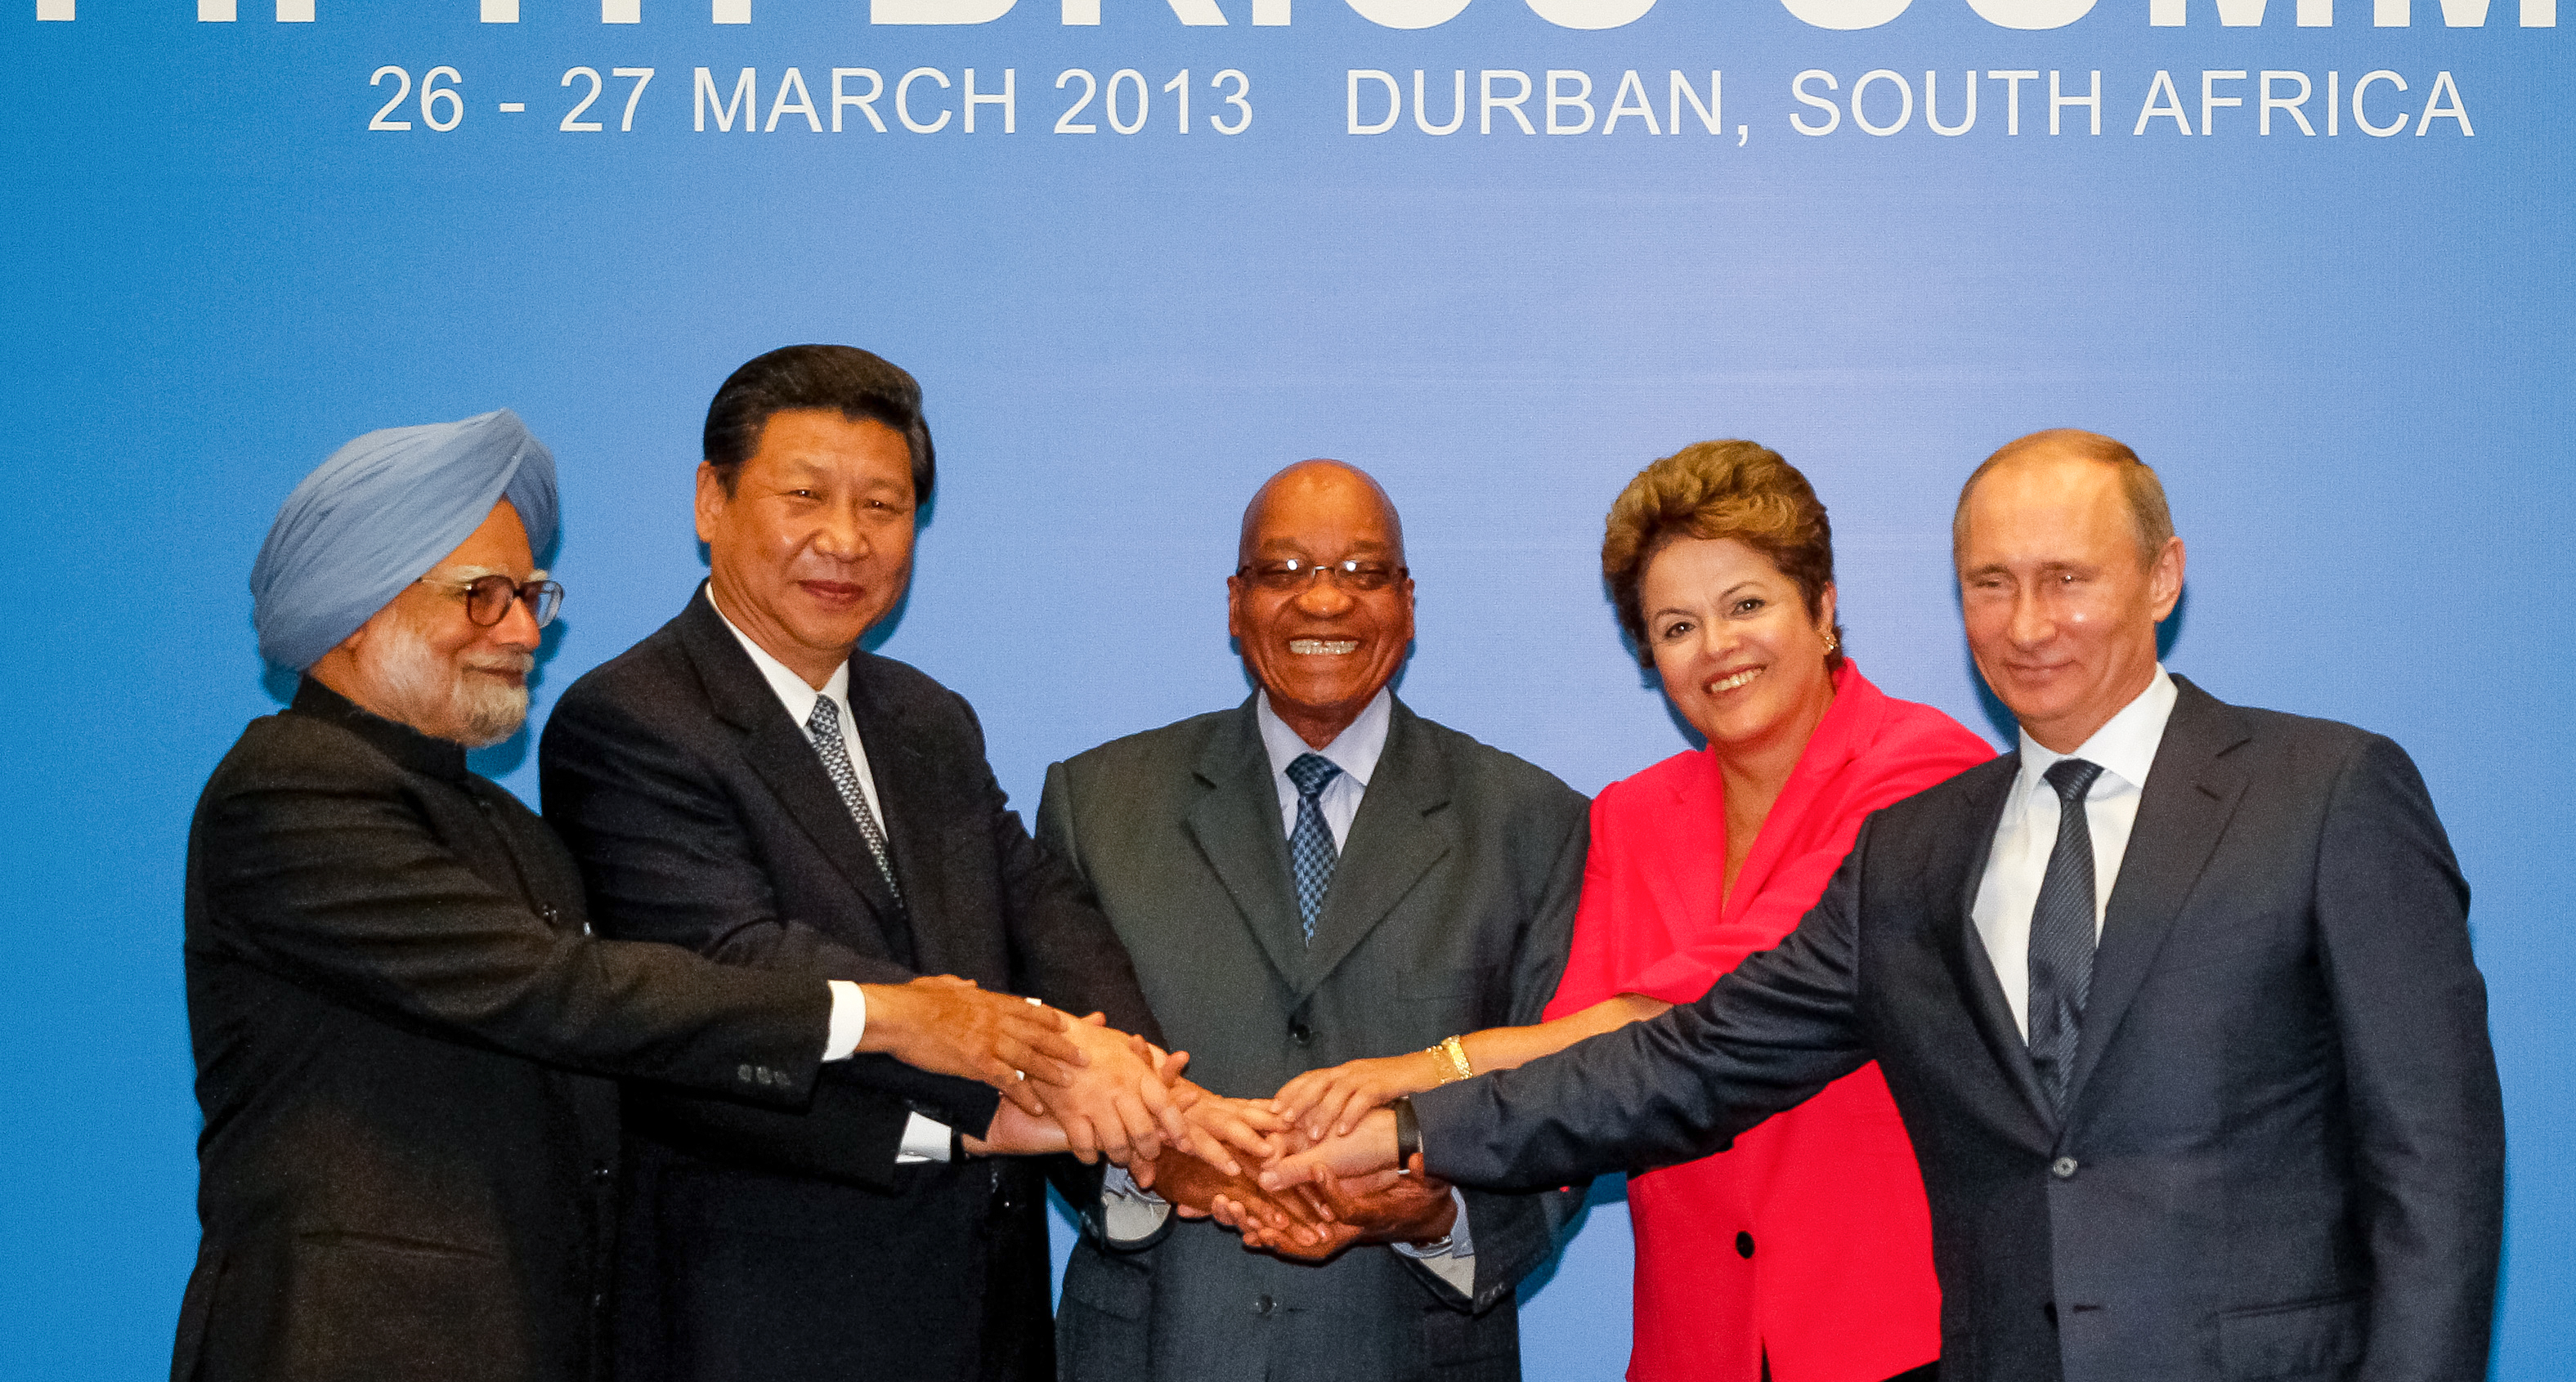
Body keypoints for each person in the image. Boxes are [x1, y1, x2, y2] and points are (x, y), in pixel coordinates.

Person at [1269, 430, 2508, 1382]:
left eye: (2065, 578)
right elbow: (1686, 1060)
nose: (2027, 625)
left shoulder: (2328, 789)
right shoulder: (1920, 852)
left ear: (2161, 575)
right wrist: (1411, 1132)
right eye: (1988, 584)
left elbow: (2434, 1163)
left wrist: (1420, 1075)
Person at [177, 409, 1096, 1382]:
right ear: (354, 606)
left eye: (530, 594)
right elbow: (562, 991)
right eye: (480, 596)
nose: (525, 630)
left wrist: (960, 1127)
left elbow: (646, 1064)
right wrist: (889, 1015)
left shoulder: (504, 827)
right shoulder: (288, 788)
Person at [540, 347, 1275, 1382]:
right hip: (762, 1319)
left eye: (882, 506)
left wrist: (1149, 1089)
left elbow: (1039, 911)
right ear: (712, 500)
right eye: (805, 495)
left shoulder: (926, 719)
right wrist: (1058, 1079)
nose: (845, 539)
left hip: (980, 1315)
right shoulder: (630, 722)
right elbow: (742, 964)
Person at [1271, 441, 1991, 1382]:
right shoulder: (1630, 816)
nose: (1717, 647)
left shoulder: (1924, 775)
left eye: (1746, 604)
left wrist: (1409, 1087)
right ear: (1649, 655)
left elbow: (1685, 1022)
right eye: (1676, 625)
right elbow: (1577, 1058)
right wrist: (1417, 1192)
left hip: (1895, 1338)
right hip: (1690, 1349)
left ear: (1821, 610)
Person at [1037, 459, 1592, 1382]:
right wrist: (1153, 1171)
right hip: (1151, 1345)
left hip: (1411, 1348)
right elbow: (1048, 1068)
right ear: (1234, 601)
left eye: (1361, 572)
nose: (1322, 603)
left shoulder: (1532, 822)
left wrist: (1441, 1214)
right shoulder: (1097, 804)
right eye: (1284, 571)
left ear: (1407, 603)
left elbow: (1569, 1095)